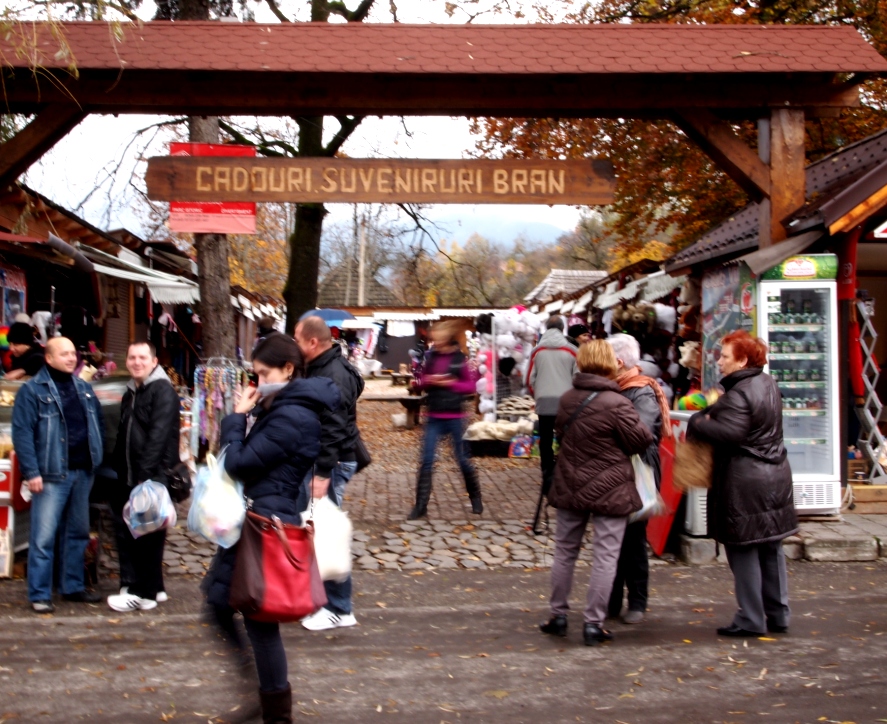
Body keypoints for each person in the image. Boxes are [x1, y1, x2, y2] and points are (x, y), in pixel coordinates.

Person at [203, 332, 339, 724]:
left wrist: (236, 418)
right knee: (219, 603)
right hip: (255, 520)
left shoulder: (292, 416)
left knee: (258, 620)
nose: (257, 382)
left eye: (263, 375)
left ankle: (275, 712)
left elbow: (237, 463)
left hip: (267, 526)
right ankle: (262, 696)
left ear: (288, 370)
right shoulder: (281, 407)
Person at [541, 340, 653, 646]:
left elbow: (561, 435)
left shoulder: (566, 399)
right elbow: (641, 441)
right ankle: (593, 623)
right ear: (609, 363)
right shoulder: (618, 403)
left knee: (565, 552)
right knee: (606, 555)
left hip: (571, 484)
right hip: (611, 488)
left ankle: (558, 615)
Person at [688, 330, 797, 637]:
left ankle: (750, 618)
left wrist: (698, 421)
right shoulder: (767, 383)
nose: (719, 361)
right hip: (774, 476)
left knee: (744, 549)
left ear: (743, 360)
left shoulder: (738, 394)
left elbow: (730, 434)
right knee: (770, 547)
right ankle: (778, 614)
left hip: (745, 481)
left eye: (724, 356)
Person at [11, 336, 104, 613]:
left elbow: (96, 422)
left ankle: (72, 586)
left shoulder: (84, 387)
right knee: (43, 536)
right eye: (64, 354)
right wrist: (31, 471)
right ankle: (39, 593)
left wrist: (96, 459)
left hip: (83, 472)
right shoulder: (32, 390)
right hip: (51, 473)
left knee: (77, 533)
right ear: (49, 358)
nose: (71, 357)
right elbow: (22, 433)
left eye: (73, 353)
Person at [293, 315, 365, 631]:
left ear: (312, 342)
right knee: (318, 528)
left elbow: (334, 429)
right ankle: (326, 602)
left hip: (331, 464)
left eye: (296, 338)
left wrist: (322, 473)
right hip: (328, 461)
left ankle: (339, 608)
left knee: (328, 532)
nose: (294, 344)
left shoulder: (332, 374)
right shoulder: (323, 367)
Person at [106, 342, 181, 612]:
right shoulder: (133, 390)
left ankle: (143, 594)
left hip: (151, 475)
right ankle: (156, 587)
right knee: (148, 531)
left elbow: (158, 437)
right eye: (132, 357)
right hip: (132, 473)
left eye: (142, 357)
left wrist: (143, 475)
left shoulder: (162, 391)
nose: (137, 362)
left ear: (154, 361)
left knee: (145, 533)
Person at [606, 333, 672, 625]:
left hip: (639, 474)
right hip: (617, 473)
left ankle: (637, 601)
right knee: (612, 538)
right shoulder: (618, 389)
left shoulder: (641, 391)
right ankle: (611, 601)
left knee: (632, 540)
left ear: (619, 362)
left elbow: (642, 435)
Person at [408, 320, 482, 520]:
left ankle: (475, 498)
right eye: (434, 337)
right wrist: (428, 381)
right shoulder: (430, 358)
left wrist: (451, 383)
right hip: (433, 415)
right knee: (427, 461)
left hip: (455, 416)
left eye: (439, 336)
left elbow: (470, 386)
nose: (435, 340)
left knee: (463, 460)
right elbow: (419, 383)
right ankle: (420, 505)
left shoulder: (460, 358)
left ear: (447, 337)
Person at [525, 315, 577, 496]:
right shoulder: (572, 351)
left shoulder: (536, 351)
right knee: (566, 440)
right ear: (563, 330)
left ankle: (547, 478)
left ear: (546, 329)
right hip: (567, 403)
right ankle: (564, 477)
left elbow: (530, 379)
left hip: (544, 401)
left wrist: (537, 395)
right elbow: (577, 378)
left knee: (545, 440)